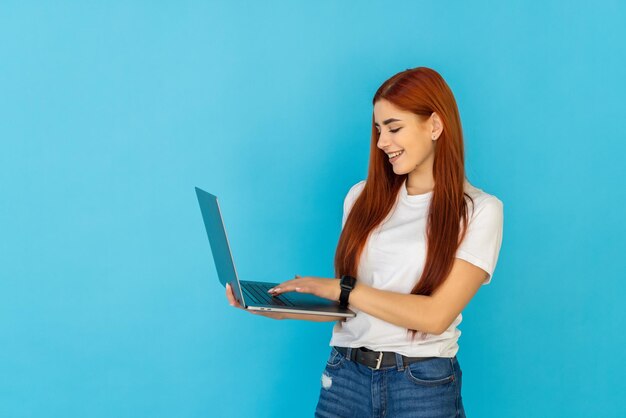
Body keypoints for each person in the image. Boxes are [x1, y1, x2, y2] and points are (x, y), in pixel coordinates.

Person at [226, 66, 504, 418]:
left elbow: (435, 316)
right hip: (345, 377)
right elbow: (356, 308)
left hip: (420, 386)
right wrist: (284, 309)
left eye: (394, 127)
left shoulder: (480, 211)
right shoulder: (361, 198)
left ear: (435, 125)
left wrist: (340, 288)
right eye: (377, 129)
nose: (382, 142)